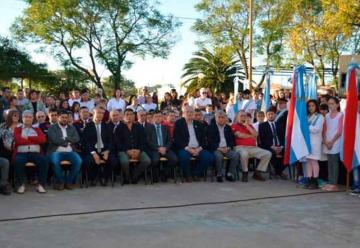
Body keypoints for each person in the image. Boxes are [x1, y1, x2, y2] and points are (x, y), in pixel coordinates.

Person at [173, 106, 214, 182]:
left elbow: (204, 139)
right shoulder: (179, 123)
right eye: (187, 112)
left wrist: (199, 149)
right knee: (183, 157)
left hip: (198, 148)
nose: (189, 114)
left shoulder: (198, 124)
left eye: (191, 112)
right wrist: (188, 149)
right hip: (185, 148)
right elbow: (177, 140)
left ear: (193, 113)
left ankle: (196, 173)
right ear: (183, 114)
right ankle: (187, 175)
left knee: (209, 157)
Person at [13, 110, 48, 194]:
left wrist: (27, 137)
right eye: (26, 117)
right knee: (18, 161)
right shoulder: (17, 129)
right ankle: (21, 185)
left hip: (36, 153)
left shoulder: (37, 129)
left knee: (44, 161)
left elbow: (43, 140)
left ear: (32, 119)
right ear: (22, 118)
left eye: (30, 117)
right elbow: (18, 140)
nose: (28, 119)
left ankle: (41, 185)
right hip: (21, 153)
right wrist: (35, 139)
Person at [232, 110, 271, 182]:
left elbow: (256, 135)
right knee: (244, 154)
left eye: (245, 116)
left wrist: (247, 126)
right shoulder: (234, 125)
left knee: (267, 153)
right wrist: (251, 136)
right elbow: (240, 135)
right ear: (237, 117)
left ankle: (257, 172)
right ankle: (245, 173)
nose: (243, 117)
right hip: (240, 147)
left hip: (253, 147)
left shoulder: (249, 126)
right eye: (241, 116)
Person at [47, 110, 82, 190]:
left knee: (78, 161)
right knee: (55, 162)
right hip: (56, 152)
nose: (64, 119)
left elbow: (77, 138)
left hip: (70, 151)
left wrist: (65, 138)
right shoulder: (52, 128)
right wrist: (67, 142)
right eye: (62, 117)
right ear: (58, 117)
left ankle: (69, 182)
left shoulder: (72, 127)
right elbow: (54, 140)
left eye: (66, 117)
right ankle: (61, 182)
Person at [83, 107, 117, 186]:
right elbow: (86, 142)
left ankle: (105, 176)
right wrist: (93, 153)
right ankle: (93, 177)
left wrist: (107, 151)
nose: (100, 115)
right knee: (89, 161)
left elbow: (111, 141)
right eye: (98, 112)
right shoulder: (88, 126)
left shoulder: (107, 126)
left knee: (113, 160)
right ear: (93, 114)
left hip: (104, 150)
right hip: (92, 150)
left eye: (102, 113)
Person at [115, 108, 151, 184]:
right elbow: (117, 143)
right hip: (124, 151)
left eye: (131, 114)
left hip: (138, 150)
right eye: (127, 114)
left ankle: (135, 174)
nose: (129, 116)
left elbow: (143, 141)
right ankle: (127, 176)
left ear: (134, 116)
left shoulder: (139, 127)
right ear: (124, 116)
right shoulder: (119, 127)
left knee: (147, 160)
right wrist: (127, 151)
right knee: (124, 162)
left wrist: (139, 150)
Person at [207, 110, 239, 182]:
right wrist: (219, 148)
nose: (221, 119)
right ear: (215, 118)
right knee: (219, 156)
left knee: (235, 155)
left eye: (222, 117)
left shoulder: (228, 127)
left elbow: (232, 140)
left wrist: (229, 147)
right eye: (219, 117)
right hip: (216, 148)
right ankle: (219, 174)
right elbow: (209, 141)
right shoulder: (211, 127)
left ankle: (229, 174)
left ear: (225, 118)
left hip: (227, 148)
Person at [145, 111, 178, 182]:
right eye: (156, 116)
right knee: (155, 160)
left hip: (165, 148)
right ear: (153, 118)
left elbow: (169, 140)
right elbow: (148, 141)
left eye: (160, 116)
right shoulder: (149, 128)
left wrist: (165, 148)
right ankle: (155, 176)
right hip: (154, 149)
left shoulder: (165, 127)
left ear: (162, 118)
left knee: (174, 159)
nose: (158, 118)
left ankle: (165, 174)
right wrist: (158, 148)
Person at [258, 107, 287, 180]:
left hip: (280, 146)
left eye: (272, 114)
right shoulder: (262, 126)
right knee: (271, 153)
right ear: (266, 116)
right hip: (269, 146)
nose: (271, 116)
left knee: (288, 154)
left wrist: (282, 146)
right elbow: (262, 140)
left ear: (275, 115)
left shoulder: (280, 125)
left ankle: (278, 171)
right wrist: (272, 147)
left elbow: (283, 137)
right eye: (269, 114)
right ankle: (279, 172)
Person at [323, 97, 343, 191]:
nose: (330, 106)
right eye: (329, 104)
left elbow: (339, 131)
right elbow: (325, 129)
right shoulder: (326, 115)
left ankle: (334, 184)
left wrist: (332, 141)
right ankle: (330, 182)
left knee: (334, 163)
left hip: (335, 141)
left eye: (332, 104)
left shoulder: (340, 115)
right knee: (329, 162)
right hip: (327, 141)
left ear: (337, 105)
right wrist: (326, 141)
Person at [304, 100, 324, 189]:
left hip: (315, 142)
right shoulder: (307, 116)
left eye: (312, 105)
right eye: (309, 106)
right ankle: (309, 179)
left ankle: (315, 180)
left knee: (314, 161)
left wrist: (305, 127)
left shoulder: (320, 117)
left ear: (316, 106)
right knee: (308, 161)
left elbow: (316, 129)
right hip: (307, 142)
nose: (311, 107)